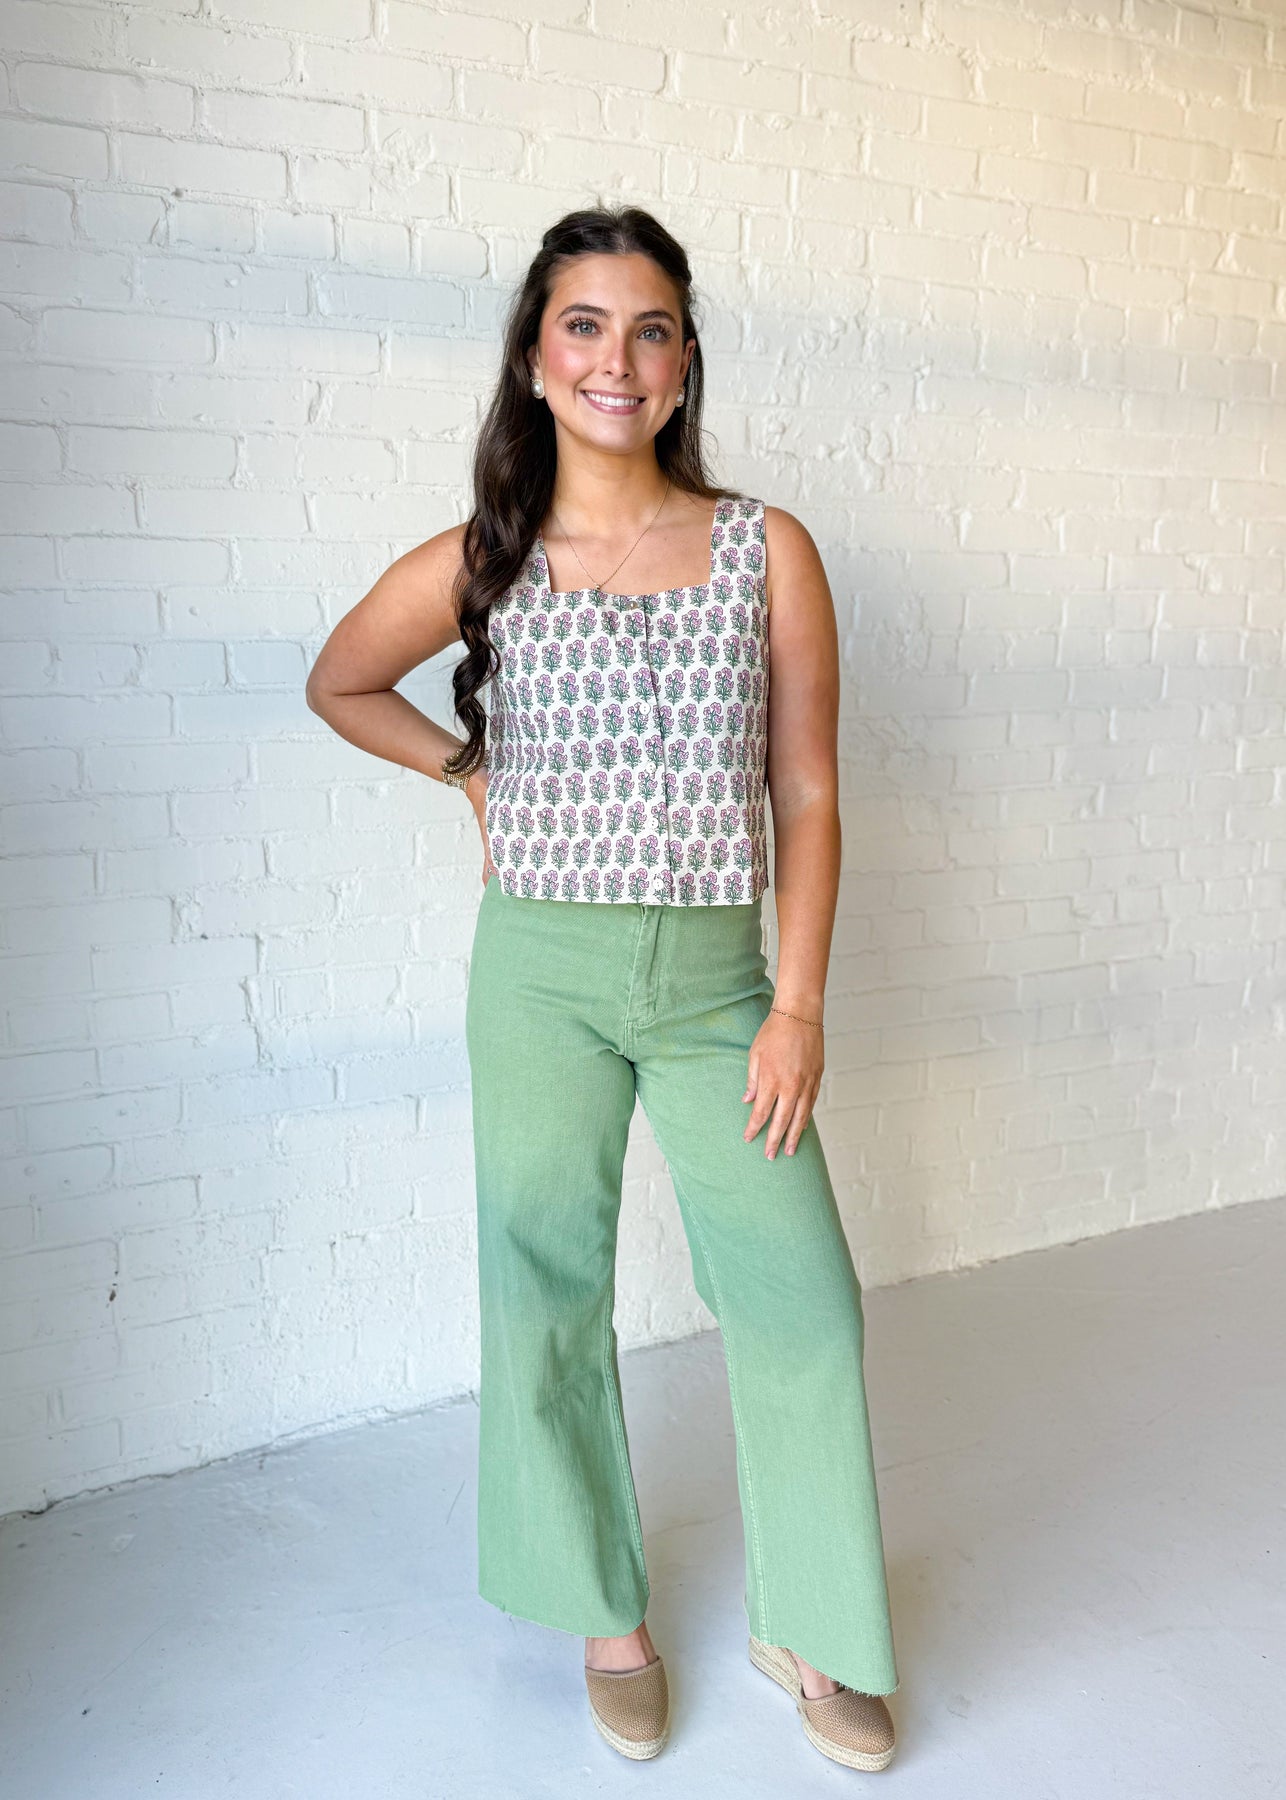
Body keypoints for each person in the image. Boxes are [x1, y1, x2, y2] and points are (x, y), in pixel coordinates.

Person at [305, 203, 899, 1773]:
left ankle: (812, 1625)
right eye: (583, 325)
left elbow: (808, 792)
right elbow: (340, 680)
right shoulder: (485, 562)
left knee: (799, 1297)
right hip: (539, 977)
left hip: (718, 987)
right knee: (543, 1283)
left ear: (684, 360)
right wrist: (466, 770)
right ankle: (603, 1617)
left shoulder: (765, 550)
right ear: (533, 355)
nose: (615, 359)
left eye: (649, 329)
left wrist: (797, 1006)